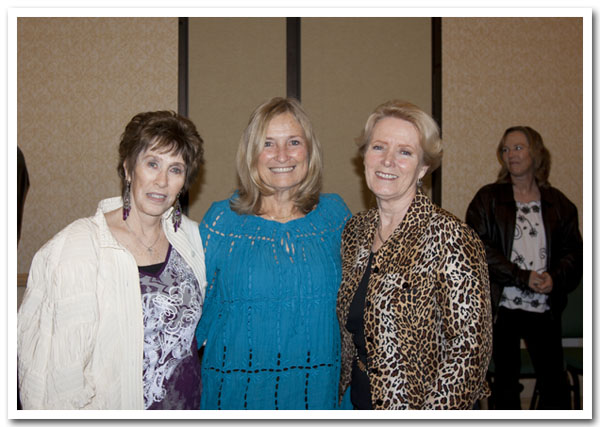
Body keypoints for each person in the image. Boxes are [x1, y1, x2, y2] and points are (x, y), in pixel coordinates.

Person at [17, 111, 207, 409]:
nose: (161, 181)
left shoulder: (193, 240)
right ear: (129, 169)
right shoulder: (79, 247)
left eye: (175, 170)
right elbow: (55, 372)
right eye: (152, 163)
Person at [195, 97, 352, 410]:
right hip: (236, 397)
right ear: (252, 154)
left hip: (318, 396)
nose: (282, 155)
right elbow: (191, 318)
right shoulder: (221, 223)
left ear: (310, 151)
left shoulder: (336, 217)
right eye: (268, 143)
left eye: (294, 142)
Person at [337, 100, 492, 410]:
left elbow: (470, 352)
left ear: (423, 167)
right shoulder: (355, 231)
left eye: (405, 152)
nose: (388, 161)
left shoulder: (451, 237)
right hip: (357, 400)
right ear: (365, 157)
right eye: (379, 147)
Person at [466, 126, 583, 409]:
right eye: (505, 150)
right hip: (501, 307)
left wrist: (554, 278)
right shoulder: (488, 199)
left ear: (536, 152)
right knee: (505, 385)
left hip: (545, 306)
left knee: (555, 386)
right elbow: (478, 248)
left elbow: (574, 253)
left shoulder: (559, 203)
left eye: (518, 147)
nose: (510, 154)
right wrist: (521, 277)